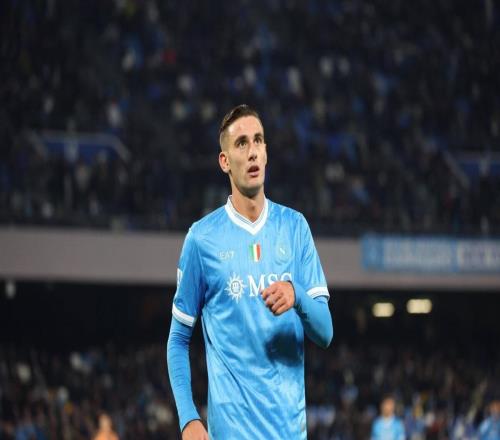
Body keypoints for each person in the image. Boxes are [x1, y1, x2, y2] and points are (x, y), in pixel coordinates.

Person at [167, 104, 334, 439]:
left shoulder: (294, 228)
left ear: (266, 152)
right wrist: (188, 418)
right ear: (225, 161)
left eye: (258, 140)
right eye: (241, 143)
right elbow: (178, 339)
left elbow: (325, 333)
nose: (253, 151)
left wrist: (297, 295)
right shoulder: (202, 239)